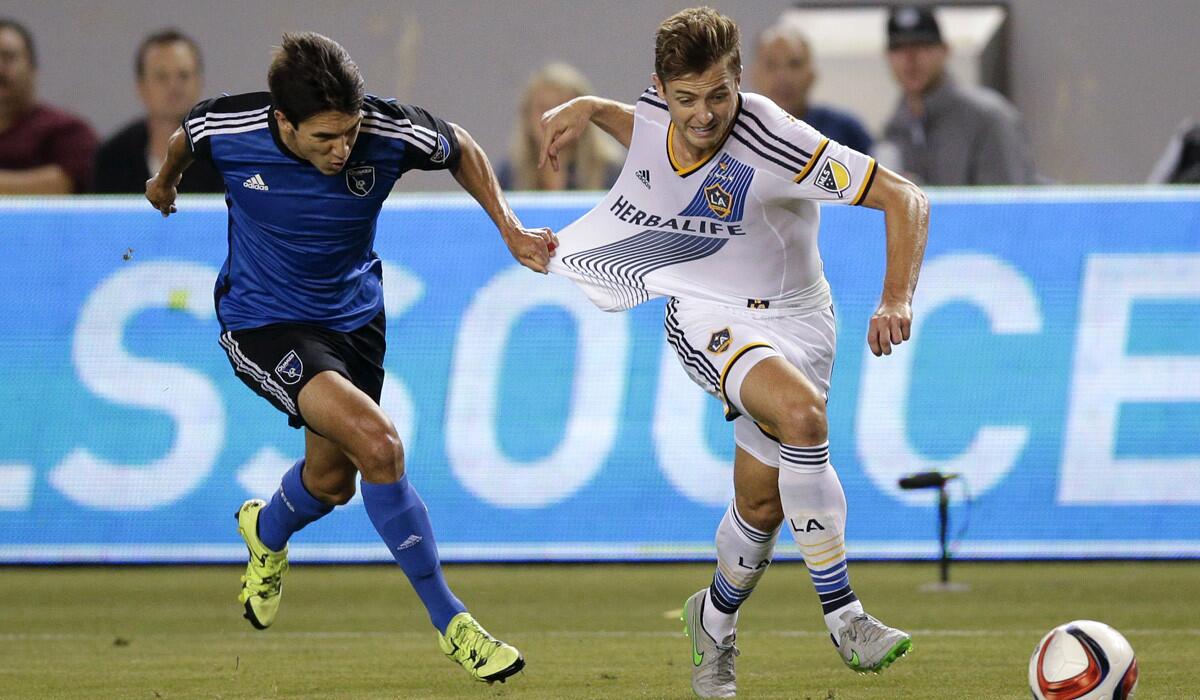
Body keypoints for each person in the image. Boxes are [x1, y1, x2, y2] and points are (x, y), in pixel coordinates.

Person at [145, 32, 555, 685]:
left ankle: (266, 529)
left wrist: (510, 228)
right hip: (265, 323)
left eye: (350, 133)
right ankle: (454, 626)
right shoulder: (234, 124)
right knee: (380, 445)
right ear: (284, 121)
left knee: (332, 483)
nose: (342, 150)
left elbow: (463, 146)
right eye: (324, 138)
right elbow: (184, 138)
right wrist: (164, 184)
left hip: (356, 321)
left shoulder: (386, 132)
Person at [539, 7, 927, 697]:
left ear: (738, 81)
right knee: (803, 418)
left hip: (803, 322)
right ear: (660, 88)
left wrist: (895, 298)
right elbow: (643, 131)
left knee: (763, 505)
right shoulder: (661, 118)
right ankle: (847, 618)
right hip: (707, 312)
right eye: (685, 98)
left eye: (719, 94)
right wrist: (594, 108)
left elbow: (904, 198)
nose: (704, 115)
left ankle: (712, 618)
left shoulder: (777, 139)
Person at [878, 5, 1035, 185]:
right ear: (887, 56)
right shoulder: (895, 130)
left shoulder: (987, 117)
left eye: (922, 46)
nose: (910, 58)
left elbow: (1010, 203)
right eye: (899, 48)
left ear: (944, 51)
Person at [94, 29, 223, 194]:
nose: (173, 86)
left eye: (183, 76)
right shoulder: (113, 158)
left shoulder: (222, 155)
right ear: (141, 87)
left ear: (199, 82)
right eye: (161, 77)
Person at [750, 12, 873, 155]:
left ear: (812, 75)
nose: (783, 76)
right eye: (771, 65)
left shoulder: (847, 131)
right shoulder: (736, 137)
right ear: (754, 76)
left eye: (794, 64)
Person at [0, 18, 96, 193]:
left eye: (8, 57)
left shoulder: (67, 131)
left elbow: (64, 184)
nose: (0, 68)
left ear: (32, 67)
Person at [497, 62, 622, 191]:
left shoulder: (610, 173)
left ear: (586, 117)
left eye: (563, 108)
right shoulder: (510, 175)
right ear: (527, 116)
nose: (553, 118)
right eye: (543, 108)